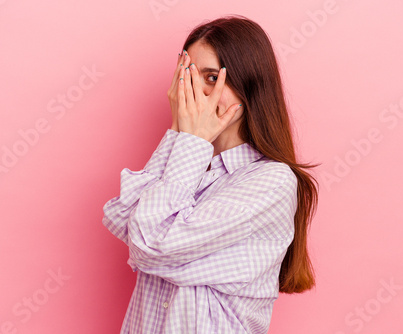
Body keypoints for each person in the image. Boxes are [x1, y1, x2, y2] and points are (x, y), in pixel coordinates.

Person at [102, 15, 319, 334]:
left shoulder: (270, 181)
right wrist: (179, 132)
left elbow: (151, 243)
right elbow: (125, 220)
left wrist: (189, 142)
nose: (197, 92)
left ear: (249, 85)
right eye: (188, 76)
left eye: (212, 76)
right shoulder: (189, 163)